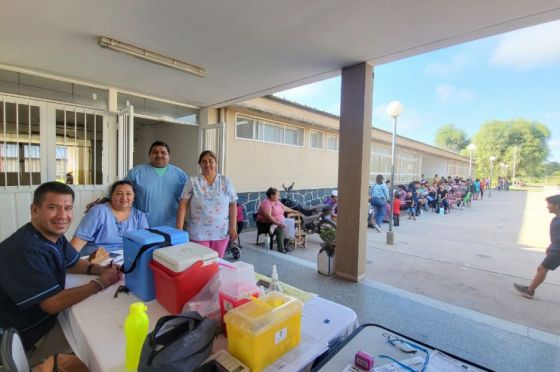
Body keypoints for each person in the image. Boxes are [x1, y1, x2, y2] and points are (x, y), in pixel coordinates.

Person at [0, 182, 121, 363]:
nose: (62, 215)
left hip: (45, 322)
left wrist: (99, 270)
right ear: (34, 210)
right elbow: (51, 303)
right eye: (53, 208)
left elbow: (71, 263)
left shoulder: (50, 235)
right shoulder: (25, 249)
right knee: (101, 341)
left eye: (68, 208)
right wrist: (100, 283)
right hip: (26, 339)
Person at [176, 150, 237, 258]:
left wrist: (233, 227)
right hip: (198, 232)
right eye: (204, 161)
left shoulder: (225, 181)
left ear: (216, 163)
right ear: (199, 164)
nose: (207, 164)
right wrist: (179, 229)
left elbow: (233, 204)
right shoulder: (193, 181)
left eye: (211, 161)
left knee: (217, 263)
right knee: (201, 263)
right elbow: (183, 204)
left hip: (221, 232)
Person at [71, 180, 149, 257]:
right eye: (119, 194)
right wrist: (68, 263)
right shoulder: (98, 211)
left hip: (127, 260)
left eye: (128, 194)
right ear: (111, 196)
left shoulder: (139, 216)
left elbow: (145, 243)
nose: (124, 197)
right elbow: (78, 242)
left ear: (134, 197)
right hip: (96, 260)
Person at [126, 141, 188, 227]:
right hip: (142, 224)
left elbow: (188, 199)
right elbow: (122, 192)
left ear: (169, 155)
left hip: (171, 225)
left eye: (163, 152)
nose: (159, 155)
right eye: (155, 152)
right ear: (149, 155)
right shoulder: (135, 173)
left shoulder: (180, 175)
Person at [514, 194, 560, 299]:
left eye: (549, 204)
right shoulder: (556, 219)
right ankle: (530, 290)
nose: (547, 206)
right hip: (556, 249)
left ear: (557, 206)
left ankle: (529, 291)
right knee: (542, 269)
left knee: (542, 269)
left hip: (557, 251)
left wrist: (553, 250)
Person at [256, 187, 299, 253]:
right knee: (280, 229)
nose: (279, 196)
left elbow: (285, 208)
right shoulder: (266, 203)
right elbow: (268, 216)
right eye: (277, 195)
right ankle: (281, 249)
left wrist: (295, 211)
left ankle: (285, 245)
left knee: (291, 225)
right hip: (266, 224)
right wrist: (278, 224)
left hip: (278, 222)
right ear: (272, 195)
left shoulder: (276, 201)